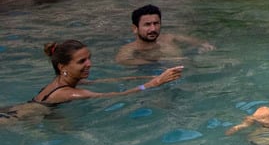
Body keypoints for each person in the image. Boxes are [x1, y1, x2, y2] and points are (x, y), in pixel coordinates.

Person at [32, 40, 184, 106]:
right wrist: (155, 83)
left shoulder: (64, 81)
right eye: (81, 61)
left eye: (88, 59)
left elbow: (110, 81)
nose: (89, 64)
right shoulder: (69, 93)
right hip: (23, 118)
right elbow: (117, 95)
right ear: (62, 67)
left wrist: (152, 76)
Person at [115, 4, 215, 65]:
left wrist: (205, 46)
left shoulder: (170, 38)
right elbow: (123, 60)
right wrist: (158, 61)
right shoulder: (129, 50)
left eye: (156, 23)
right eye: (147, 25)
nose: (153, 28)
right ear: (135, 28)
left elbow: (201, 43)